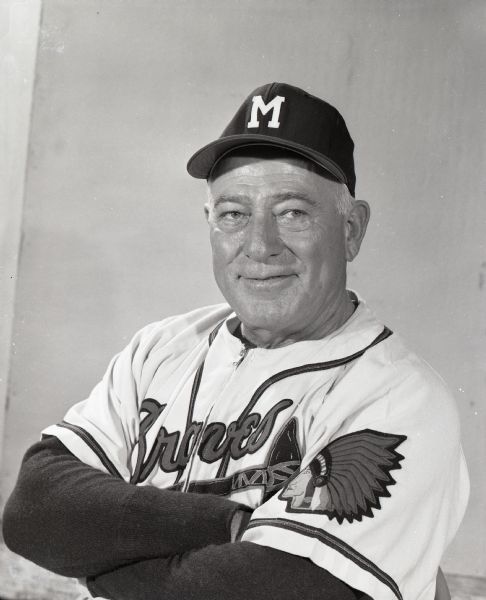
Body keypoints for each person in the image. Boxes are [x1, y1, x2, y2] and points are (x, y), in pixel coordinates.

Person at [2, 82, 469, 600]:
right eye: (233, 214)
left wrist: (101, 567)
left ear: (352, 229)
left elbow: (269, 592)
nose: (259, 246)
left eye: (292, 212)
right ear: (210, 224)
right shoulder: (161, 349)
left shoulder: (398, 397)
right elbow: (34, 511)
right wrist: (226, 524)